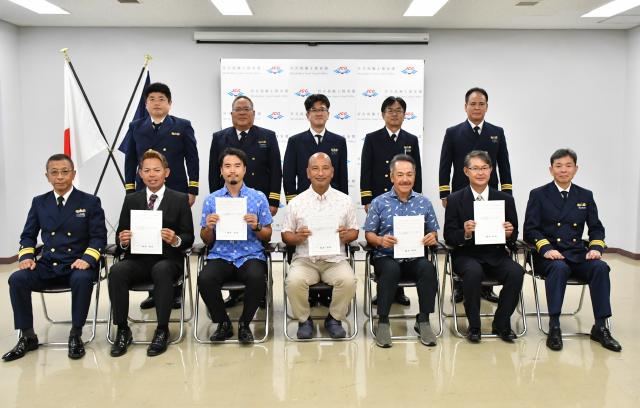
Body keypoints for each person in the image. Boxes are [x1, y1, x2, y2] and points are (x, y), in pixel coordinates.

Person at [3, 154, 107, 362]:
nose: (60, 177)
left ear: (73, 174)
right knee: (17, 279)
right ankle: (27, 336)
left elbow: (98, 237)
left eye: (65, 172)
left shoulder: (89, 202)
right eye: (54, 172)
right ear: (47, 176)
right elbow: (28, 235)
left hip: (78, 263)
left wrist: (87, 259)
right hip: (49, 264)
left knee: (82, 278)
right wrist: (26, 257)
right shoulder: (39, 202)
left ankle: (75, 334)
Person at [523, 148, 621, 352]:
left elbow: (596, 228)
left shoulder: (585, 195)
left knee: (600, 268)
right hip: (548, 257)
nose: (563, 170)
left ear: (576, 169)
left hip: (576, 254)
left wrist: (596, 247)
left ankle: (601, 327)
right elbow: (530, 229)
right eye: (558, 166)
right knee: (559, 268)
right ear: (551, 170)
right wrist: (546, 248)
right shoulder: (538, 194)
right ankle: (554, 326)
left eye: (568, 166)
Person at [109, 149, 194, 357]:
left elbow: (189, 236)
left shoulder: (179, 199)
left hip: (168, 260)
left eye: (157, 170)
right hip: (138, 260)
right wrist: (123, 240)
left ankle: (162, 329)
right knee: (117, 271)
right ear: (140, 174)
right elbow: (120, 235)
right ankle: (122, 329)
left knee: (162, 270)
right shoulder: (131, 200)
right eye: (146, 170)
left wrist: (176, 239)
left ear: (166, 172)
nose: (152, 174)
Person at [122, 82, 199, 310]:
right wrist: (130, 190)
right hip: (144, 190)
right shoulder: (136, 126)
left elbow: (192, 158)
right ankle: (153, 292)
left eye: (162, 99)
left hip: (175, 191)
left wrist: (192, 189)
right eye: (152, 99)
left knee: (171, 238)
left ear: (170, 103)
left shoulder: (182, 126)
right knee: (147, 239)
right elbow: (130, 159)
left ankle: (174, 291)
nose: (157, 103)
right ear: (146, 104)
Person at [439, 87, 513, 304]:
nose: (477, 107)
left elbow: (504, 164)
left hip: (490, 195)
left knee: (489, 238)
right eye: (473, 104)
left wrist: (506, 193)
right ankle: (460, 286)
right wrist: (445, 193)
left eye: (481, 104)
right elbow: (445, 165)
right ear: (465, 107)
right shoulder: (453, 132)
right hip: (461, 196)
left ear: (487, 107)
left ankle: (486, 288)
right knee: (462, 238)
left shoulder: (497, 132)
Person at [443, 150, 524, 344]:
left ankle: (501, 323)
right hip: (466, 255)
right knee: (473, 272)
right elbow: (449, 235)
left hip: (496, 254)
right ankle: (474, 326)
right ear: (466, 171)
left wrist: (509, 234)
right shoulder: (454, 199)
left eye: (484, 168)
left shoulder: (505, 199)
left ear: (491, 170)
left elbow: (514, 234)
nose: (480, 172)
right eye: (475, 168)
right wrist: (465, 233)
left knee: (516, 272)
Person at [209, 95, 282, 307]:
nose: (242, 113)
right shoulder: (219, 137)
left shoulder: (267, 136)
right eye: (238, 109)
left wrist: (273, 200)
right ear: (231, 114)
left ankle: (260, 292)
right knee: (231, 242)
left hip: (257, 202)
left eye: (246, 109)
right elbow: (214, 171)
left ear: (253, 113)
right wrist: (218, 201)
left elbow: (275, 170)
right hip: (228, 202)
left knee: (257, 245)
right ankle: (235, 294)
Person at [199, 147, 273, 345]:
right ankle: (223, 323)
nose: (232, 170)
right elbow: (206, 239)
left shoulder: (258, 197)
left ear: (244, 169)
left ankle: (244, 323)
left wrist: (257, 226)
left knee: (257, 277)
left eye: (237, 166)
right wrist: (209, 227)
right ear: (221, 171)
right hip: (220, 255)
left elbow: (267, 235)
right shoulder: (211, 200)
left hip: (250, 255)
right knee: (205, 278)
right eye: (227, 166)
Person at [364, 154, 439, 348]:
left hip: (414, 257)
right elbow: (369, 234)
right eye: (400, 174)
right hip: (386, 257)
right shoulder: (378, 202)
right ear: (392, 177)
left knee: (428, 268)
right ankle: (383, 322)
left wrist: (431, 237)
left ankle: (423, 320)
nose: (405, 179)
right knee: (391, 270)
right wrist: (380, 240)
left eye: (409, 174)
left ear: (414, 176)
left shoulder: (424, 202)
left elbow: (433, 231)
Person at [282, 153, 358, 339]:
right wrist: (297, 238)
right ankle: (304, 320)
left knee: (349, 280)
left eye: (325, 168)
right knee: (293, 282)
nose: (320, 173)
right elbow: (285, 234)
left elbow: (354, 231)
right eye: (315, 169)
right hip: (305, 260)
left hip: (335, 260)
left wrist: (346, 235)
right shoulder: (296, 202)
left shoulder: (345, 201)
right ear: (308, 173)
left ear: (332, 172)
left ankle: (334, 319)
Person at [283, 93, 348, 308]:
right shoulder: (295, 141)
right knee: (303, 247)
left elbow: (342, 177)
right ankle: (308, 294)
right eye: (314, 110)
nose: (319, 113)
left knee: (330, 250)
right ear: (307, 115)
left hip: (331, 207)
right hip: (304, 208)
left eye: (323, 109)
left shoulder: (338, 141)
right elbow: (288, 174)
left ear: (328, 114)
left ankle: (328, 294)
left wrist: (339, 206)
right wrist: (293, 202)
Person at [360, 96, 422, 307]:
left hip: (406, 199)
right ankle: (384, 290)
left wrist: (416, 199)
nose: (394, 114)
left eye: (399, 110)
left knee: (404, 241)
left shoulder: (411, 139)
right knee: (383, 245)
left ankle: (399, 291)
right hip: (381, 200)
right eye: (390, 110)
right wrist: (367, 198)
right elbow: (366, 170)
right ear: (383, 114)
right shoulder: (372, 138)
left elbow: (417, 172)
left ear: (404, 114)